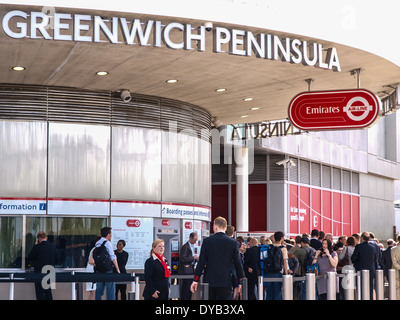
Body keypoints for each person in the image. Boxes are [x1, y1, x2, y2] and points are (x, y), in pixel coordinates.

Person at [191, 216, 245, 300]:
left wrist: (195, 280)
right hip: (225, 282)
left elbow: (201, 262)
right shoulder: (233, 243)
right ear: (225, 227)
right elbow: (238, 264)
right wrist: (240, 282)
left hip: (209, 281)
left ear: (216, 226)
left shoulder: (207, 241)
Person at [91, 227, 120, 300]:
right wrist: (117, 269)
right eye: (111, 234)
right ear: (108, 234)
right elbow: (113, 257)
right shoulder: (107, 243)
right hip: (108, 269)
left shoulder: (97, 243)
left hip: (99, 269)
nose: (111, 235)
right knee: (110, 290)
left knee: (99, 290)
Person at [27, 231, 56, 300]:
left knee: (40, 293)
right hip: (50, 272)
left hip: (39, 272)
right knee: (48, 292)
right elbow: (57, 259)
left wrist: (35, 245)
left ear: (38, 238)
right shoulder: (53, 247)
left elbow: (30, 257)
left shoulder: (37, 247)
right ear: (46, 237)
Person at [351, 231, 377, 300]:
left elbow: (353, 258)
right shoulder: (373, 247)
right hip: (371, 271)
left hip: (360, 270)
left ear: (362, 238)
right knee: (370, 290)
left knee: (361, 290)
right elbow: (375, 260)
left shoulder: (358, 246)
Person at [265, 231, 288, 300]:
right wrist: (286, 274)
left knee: (269, 293)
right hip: (278, 272)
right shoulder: (283, 248)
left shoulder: (269, 247)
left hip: (268, 273)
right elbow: (284, 262)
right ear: (281, 238)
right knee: (277, 293)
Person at [179, 232, 199, 300]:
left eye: (196, 240)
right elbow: (182, 258)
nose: (195, 242)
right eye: (194, 240)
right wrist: (193, 258)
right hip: (186, 271)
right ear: (190, 238)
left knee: (189, 288)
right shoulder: (185, 247)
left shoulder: (191, 246)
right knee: (186, 288)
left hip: (191, 270)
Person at [86, 236, 101, 300]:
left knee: (92, 292)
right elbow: (91, 261)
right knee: (93, 292)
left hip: (92, 272)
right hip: (92, 272)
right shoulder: (95, 249)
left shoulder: (95, 249)